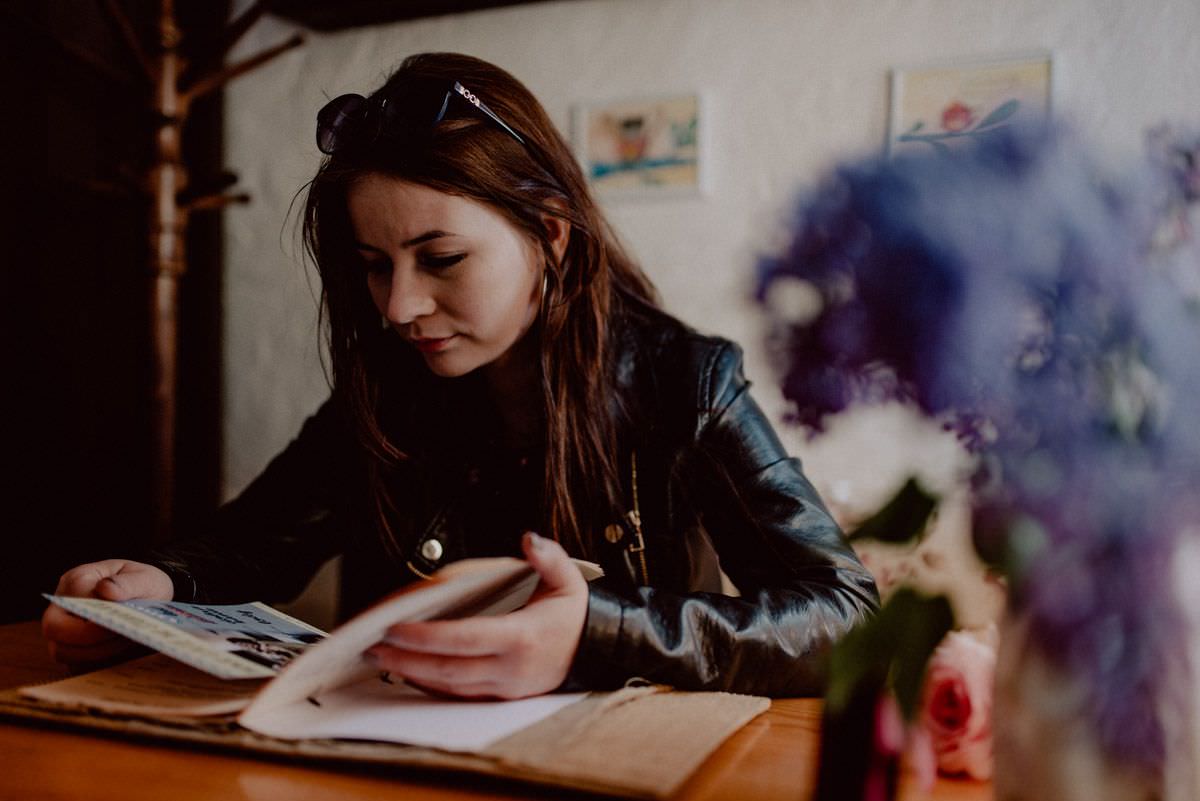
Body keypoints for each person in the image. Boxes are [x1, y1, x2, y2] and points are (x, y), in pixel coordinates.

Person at [42, 52, 878, 698]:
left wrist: (597, 631)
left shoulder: (683, 382)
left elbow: (846, 614)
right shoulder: (388, 384)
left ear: (550, 235)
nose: (400, 306)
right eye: (374, 265)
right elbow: (254, 543)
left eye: (440, 258)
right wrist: (159, 583)